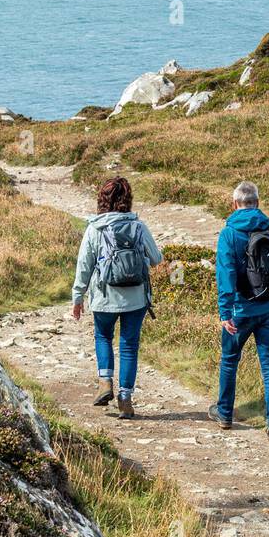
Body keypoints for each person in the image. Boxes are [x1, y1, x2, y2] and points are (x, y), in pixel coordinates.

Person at [208, 180, 269, 442]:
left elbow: (225, 274)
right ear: (257, 202)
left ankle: (224, 414)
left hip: (239, 309)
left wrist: (225, 312)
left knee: (229, 360)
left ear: (234, 204)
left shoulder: (229, 233)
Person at [72, 177, 162, 418]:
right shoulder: (139, 227)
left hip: (104, 296)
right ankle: (125, 397)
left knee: (103, 335)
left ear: (102, 200)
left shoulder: (95, 228)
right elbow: (156, 259)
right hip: (136, 298)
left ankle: (105, 383)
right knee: (129, 346)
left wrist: (78, 296)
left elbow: (84, 265)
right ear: (128, 200)